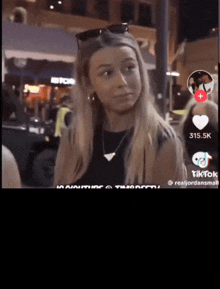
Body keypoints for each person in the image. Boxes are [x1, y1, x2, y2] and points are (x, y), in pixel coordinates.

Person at [54, 24, 187, 188]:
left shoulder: (164, 143)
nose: (122, 82)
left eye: (129, 68)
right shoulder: (73, 137)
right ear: (88, 83)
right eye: (107, 73)